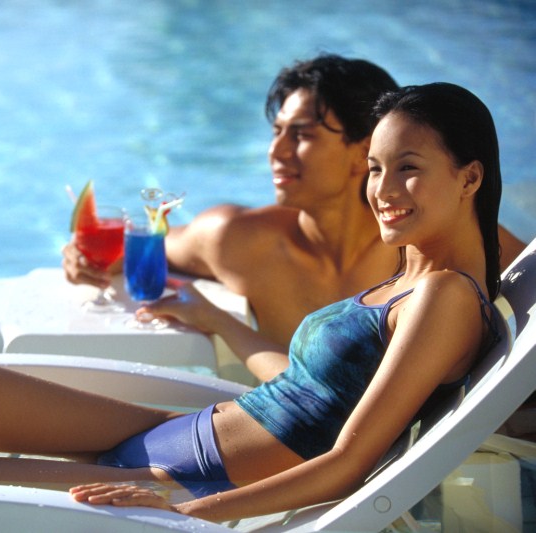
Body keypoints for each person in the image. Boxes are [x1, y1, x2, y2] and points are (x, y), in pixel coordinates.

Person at [0, 82, 506, 522]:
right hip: (170, 433)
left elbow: (347, 462)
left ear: (468, 176)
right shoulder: (410, 276)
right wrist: (216, 320)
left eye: (407, 167)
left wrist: (186, 510)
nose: (382, 189)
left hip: (187, 477)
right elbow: (310, 392)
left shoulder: (442, 296)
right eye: (375, 169)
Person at [62, 55, 524, 381]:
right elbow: (142, 250)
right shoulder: (238, 240)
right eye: (276, 132)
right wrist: (88, 258)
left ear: (366, 149)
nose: (276, 151)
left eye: (301, 135)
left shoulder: (439, 245)